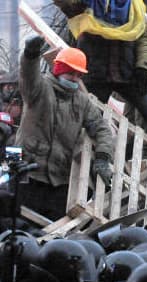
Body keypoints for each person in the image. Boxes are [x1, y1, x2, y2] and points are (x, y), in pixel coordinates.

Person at [52, 0, 147, 176]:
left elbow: (144, 39)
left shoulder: (136, 7)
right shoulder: (87, 4)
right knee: (82, 120)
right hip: (95, 74)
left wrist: (143, 68)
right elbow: (64, 3)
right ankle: (65, 168)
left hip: (128, 74)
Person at [16, 36, 113, 221]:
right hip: (27, 172)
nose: (75, 78)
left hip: (59, 179)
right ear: (59, 69)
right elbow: (28, 73)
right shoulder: (39, 88)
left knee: (50, 230)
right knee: (18, 223)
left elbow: (102, 129)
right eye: (71, 73)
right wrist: (30, 54)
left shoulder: (82, 101)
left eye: (79, 75)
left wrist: (102, 157)